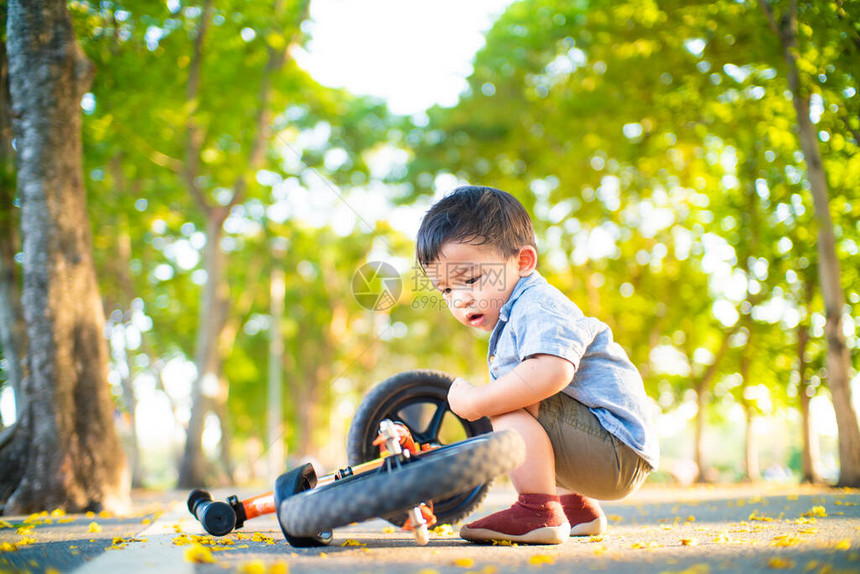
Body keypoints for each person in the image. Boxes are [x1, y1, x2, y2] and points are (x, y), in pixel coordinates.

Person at [415, 185, 659, 545]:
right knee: (516, 391)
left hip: (615, 449)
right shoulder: (518, 312)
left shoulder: (537, 305)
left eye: (469, 279)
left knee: (508, 398)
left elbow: (553, 372)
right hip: (612, 452)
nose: (460, 298)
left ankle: (537, 512)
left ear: (523, 261)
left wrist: (478, 401)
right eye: (447, 291)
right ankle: (574, 508)